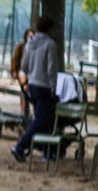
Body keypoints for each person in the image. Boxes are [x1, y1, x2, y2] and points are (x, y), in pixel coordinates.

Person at [12, 17, 61, 162]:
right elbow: (52, 68)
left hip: (32, 85)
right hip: (45, 86)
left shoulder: (30, 44)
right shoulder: (50, 45)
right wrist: (53, 87)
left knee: (43, 118)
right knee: (41, 119)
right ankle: (21, 146)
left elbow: (25, 66)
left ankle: (48, 152)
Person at [10, 29, 35, 117]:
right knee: (24, 89)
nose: (30, 38)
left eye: (32, 36)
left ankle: (27, 110)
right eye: (29, 36)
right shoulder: (21, 47)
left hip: (32, 73)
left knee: (29, 91)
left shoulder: (36, 48)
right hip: (22, 72)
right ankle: (24, 110)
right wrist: (13, 70)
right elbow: (15, 59)